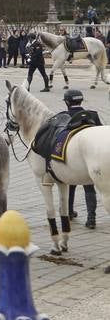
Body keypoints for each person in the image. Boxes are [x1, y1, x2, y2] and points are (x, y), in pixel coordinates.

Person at [63, 90, 98, 228]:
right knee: (89, 187)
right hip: (90, 158)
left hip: (72, 159)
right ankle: (91, 219)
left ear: (67, 102)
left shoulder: (64, 116)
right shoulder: (93, 115)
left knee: (70, 185)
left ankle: (69, 212)